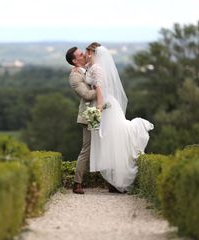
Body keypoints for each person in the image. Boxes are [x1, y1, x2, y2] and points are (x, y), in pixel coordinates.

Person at [84, 42, 154, 192]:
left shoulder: (97, 68)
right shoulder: (95, 67)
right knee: (109, 143)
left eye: (88, 52)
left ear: (93, 53)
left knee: (112, 142)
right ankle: (114, 182)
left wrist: (99, 109)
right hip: (108, 104)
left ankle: (116, 182)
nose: (87, 55)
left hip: (105, 106)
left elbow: (100, 91)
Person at [65, 46, 97, 194]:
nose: (84, 55)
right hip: (90, 114)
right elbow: (87, 95)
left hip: (102, 110)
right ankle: (77, 183)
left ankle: (112, 183)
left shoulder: (91, 67)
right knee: (87, 149)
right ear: (74, 60)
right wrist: (104, 88)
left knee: (107, 146)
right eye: (80, 54)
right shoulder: (74, 76)